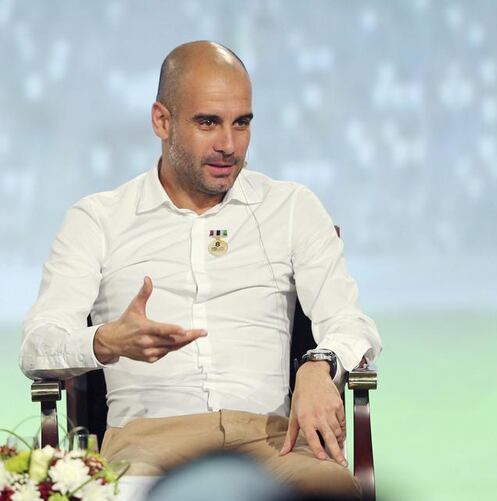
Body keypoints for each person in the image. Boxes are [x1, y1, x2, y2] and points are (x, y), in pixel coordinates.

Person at [19, 41, 381, 497]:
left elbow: (353, 324)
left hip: (276, 447)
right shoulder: (99, 219)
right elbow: (36, 347)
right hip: (146, 451)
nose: (228, 145)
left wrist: (319, 363)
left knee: (332, 490)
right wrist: (105, 340)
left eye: (241, 123)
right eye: (208, 122)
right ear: (162, 121)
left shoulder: (291, 207)